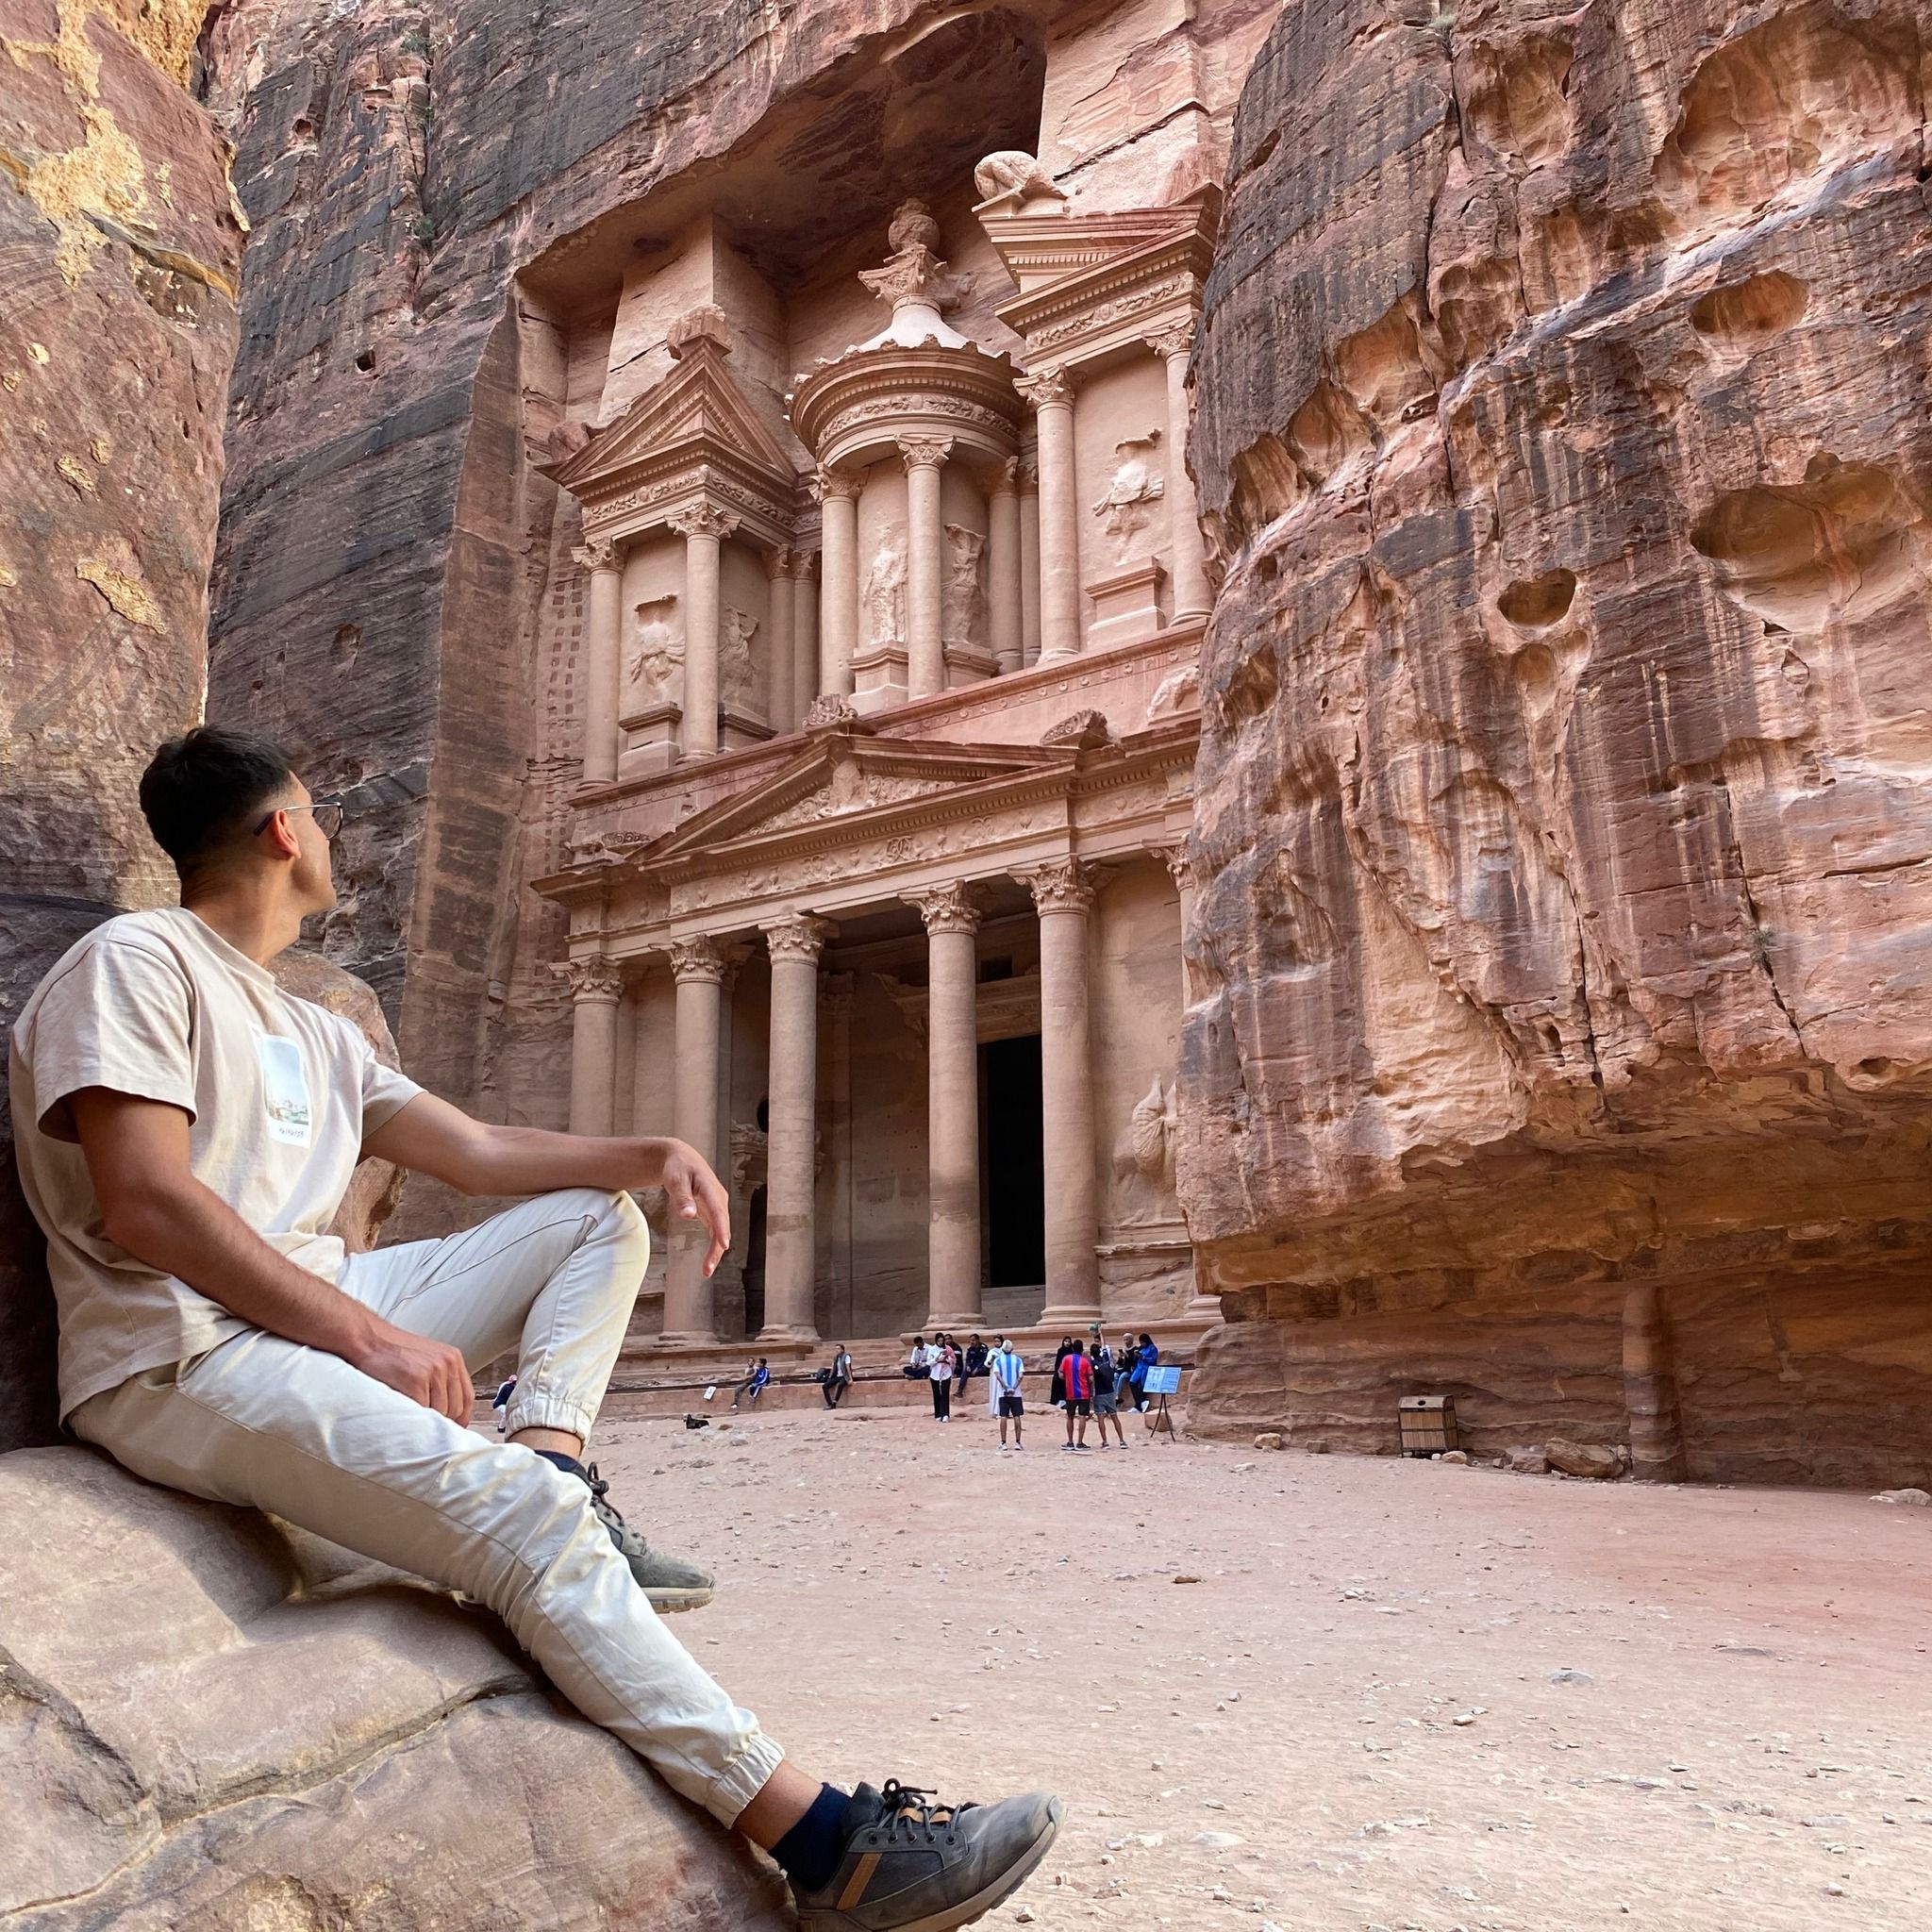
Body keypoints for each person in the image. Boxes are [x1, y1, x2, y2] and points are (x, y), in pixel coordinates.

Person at [8, 727, 1059, 1928]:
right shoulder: (137, 960)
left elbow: (475, 1149)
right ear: (285, 831)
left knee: (590, 1218)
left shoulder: (310, 1022)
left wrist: (652, 1154)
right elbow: (145, 1200)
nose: (331, 834)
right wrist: (367, 1336)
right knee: (519, 1524)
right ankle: (829, 1848)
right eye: (319, 814)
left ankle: (557, 1463)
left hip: (296, 1314)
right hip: (178, 1351)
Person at [1088, 1327, 1125, 1447]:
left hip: (1099, 1393)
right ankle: (1122, 1441)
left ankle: (1105, 1441)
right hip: (1110, 1392)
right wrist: (1101, 1334)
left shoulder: (1092, 1363)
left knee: (1101, 1419)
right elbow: (1104, 1346)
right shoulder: (1105, 1359)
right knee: (1114, 1417)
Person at [990, 1337, 1024, 1450]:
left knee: (1003, 1416)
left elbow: (997, 1375)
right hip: (1016, 1393)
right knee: (1017, 1416)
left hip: (1003, 1393)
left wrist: (1005, 1387)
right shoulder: (1018, 1360)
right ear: (1012, 1349)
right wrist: (1013, 1388)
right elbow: (1020, 1376)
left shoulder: (998, 1360)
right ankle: (1018, 1442)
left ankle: (1003, 1442)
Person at [1060, 1338, 1094, 1450]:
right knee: (1082, 1417)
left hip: (1071, 1392)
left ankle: (1070, 1442)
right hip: (1084, 1393)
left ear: (1072, 1349)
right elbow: (1091, 1378)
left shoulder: (1066, 1359)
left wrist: (1068, 1379)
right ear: (1082, 1350)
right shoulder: (1085, 1361)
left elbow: (1061, 1374)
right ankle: (1080, 1442)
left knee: (1070, 1417)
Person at [929, 1332, 956, 1421]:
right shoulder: (932, 1349)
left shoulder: (948, 1348)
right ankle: (938, 1414)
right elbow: (929, 1362)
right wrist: (937, 1358)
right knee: (937, 1394)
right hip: (935, 1373)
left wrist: (948, 1359)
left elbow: (953, 1358)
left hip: (946, 1372)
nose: (940, 1342)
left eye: (942, 1341)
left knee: (945, 1393)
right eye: (939, 1341)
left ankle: (945, 1414)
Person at [822, 1342, 853, 1409]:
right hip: (837, 1376)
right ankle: (829, 1403)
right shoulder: (835, 1358)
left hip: (844, 1376)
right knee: (825, 1386)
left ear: (842, 1350)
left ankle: (835, 1402)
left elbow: (848, 1368)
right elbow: (833, 1368)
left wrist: (850, 1379)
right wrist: (830, 1377)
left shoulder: (846, 1356)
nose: (837, 1350)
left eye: (838, 1349)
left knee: (840, 1385)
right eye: (836, 1349)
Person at [958, 1332, 987, 1397]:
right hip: (973, 1366)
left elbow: (984, 1359)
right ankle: (959, 1391)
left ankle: (975, 1373)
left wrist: (977, 1369)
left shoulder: (983, 1347)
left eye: (973, 1340)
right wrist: (968, 1366)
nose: (971, 1342)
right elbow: (968, 1359)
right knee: (965, 1371)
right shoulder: (970, 1348)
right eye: (970, 1340)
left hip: (981, 1366)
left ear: (978, 1340)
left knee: (984, 1370)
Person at [1048, 1335, 1073, 1410]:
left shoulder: (1071, 1351)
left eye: (1068, 1342)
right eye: (1066, 1341)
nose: (1067, 1343)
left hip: (1068, 1373)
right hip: (1060, 1372)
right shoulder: (1060, 1350)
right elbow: (1058, 1362)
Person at [491, 1372, 517, 1436]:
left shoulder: (512, 1387)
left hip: (505, 1405)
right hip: (499, 1404)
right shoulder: (507, 1387)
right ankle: (501, 1428)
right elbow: (510, 1397)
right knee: (507, 1413)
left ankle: (507, 1427)